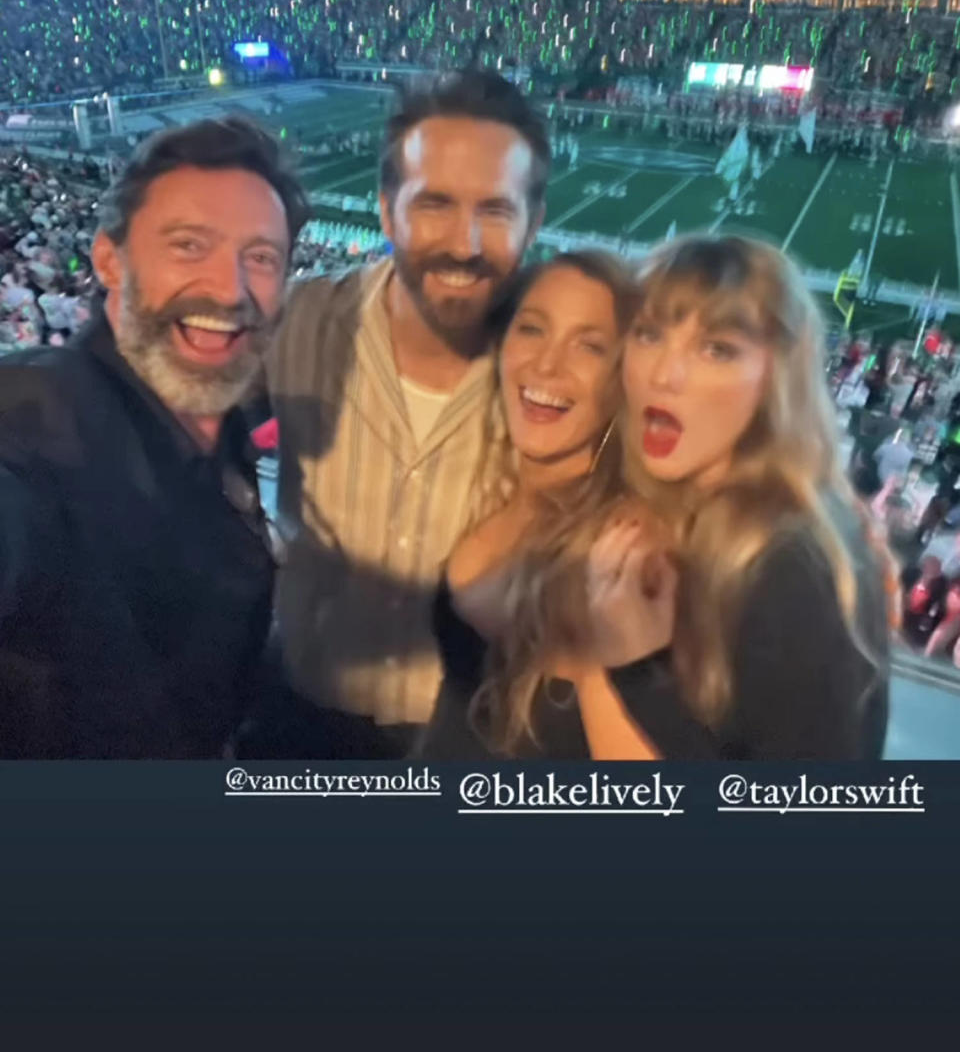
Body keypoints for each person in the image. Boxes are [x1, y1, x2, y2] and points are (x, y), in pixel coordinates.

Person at [0, 117, 308, 757]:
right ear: (109, 258)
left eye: (260, 257)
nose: (230, 288)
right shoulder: (35, 433)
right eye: (189, 244)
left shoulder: (225, 420)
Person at [265, 70, 551, 757]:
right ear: (387, 210)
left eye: (496, 210)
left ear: (534, 222)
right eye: (436, 204)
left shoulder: (569, 374)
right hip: (302, 708)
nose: (465, 242)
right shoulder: (299, 321)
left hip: (474, 735)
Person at [607, 234, 892, 759]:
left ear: (776, 378)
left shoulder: (794, 565)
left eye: (716, 349)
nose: (663, 375)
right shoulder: (688, 512)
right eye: (647, 334)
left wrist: (629, 664)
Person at [423, 252, 674, 759]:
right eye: (533, 329)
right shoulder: (495, 483)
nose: (546, 364)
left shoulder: (630, 547)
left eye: (590, 346)